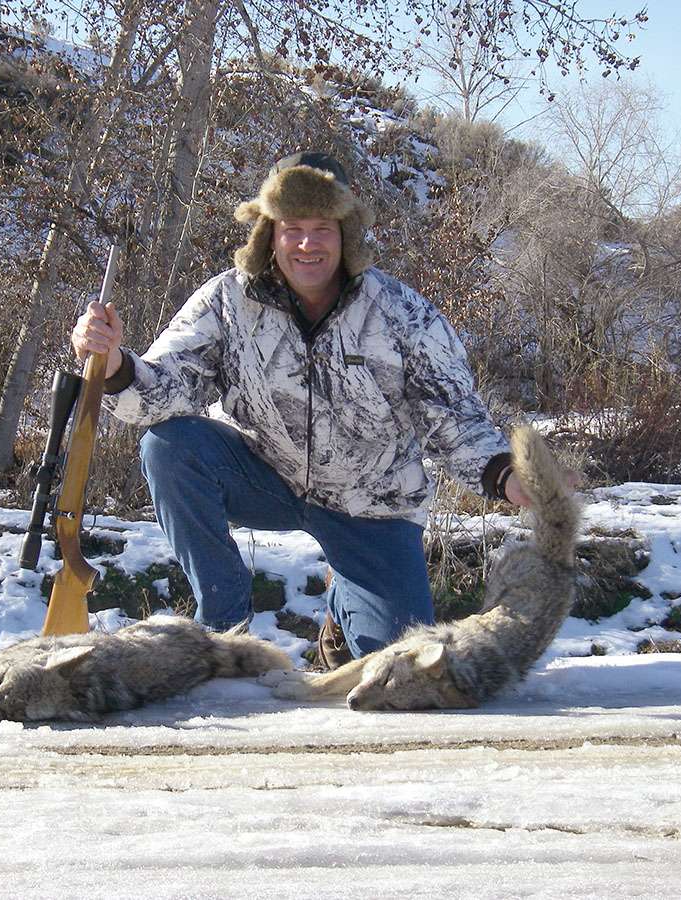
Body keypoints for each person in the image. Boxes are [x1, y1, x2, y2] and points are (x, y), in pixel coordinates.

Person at [71, 151, 531, 668]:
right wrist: (112, 363)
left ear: (348, 234)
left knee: (398, 671)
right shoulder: (227, 301)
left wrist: (507, 474)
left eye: (323, 228)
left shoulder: (404, 314)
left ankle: (344, 605)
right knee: (169, 447)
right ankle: (223, 629)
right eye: (292, 228)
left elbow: (454, 421)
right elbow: (166, 389)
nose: (307, 243)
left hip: (371, 507)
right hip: (268, 477)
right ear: (269, 232)